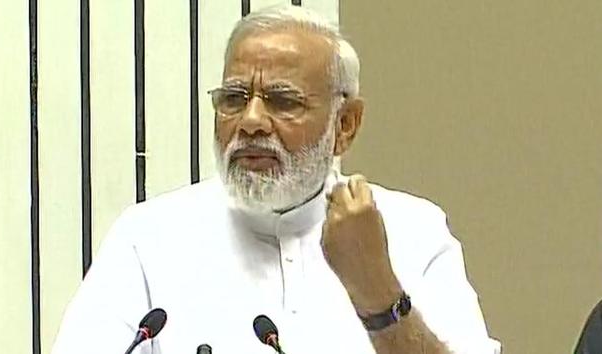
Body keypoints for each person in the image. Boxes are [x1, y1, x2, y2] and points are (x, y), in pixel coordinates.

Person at [52, 5, 500, 354]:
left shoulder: (413, 230)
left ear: (345, 124)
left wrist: (378, 290)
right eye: (233, 98)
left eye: (283, 102)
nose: (250, 121)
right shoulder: (148, 237)